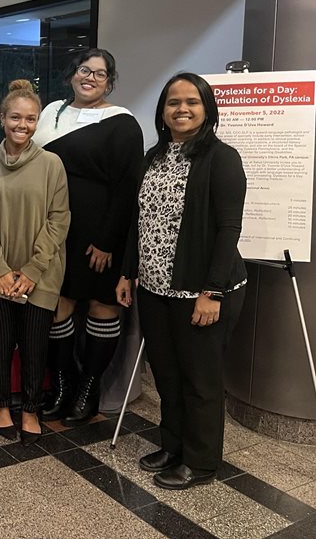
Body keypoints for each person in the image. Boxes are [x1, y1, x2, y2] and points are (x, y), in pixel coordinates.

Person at [117, 72, 247, 490]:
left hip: (201, 292)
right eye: (173, 102)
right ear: (163, 111)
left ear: (207, 108)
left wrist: (212, 293)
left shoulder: (221, 158)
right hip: (154, 289)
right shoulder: (152, 157)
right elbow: (138, 221)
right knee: (168, 374)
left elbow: (229, 229)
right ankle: (172, 447)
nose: (182, 109)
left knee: (200, 379)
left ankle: (202, 461)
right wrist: (128, 271)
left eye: (192, 101)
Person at [33, 49, 144, 425]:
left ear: (109, 82)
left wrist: (108, 241)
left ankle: (88, 389)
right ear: (72, 74)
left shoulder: (123, 122)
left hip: (100, 232)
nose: (91, 78)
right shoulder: (51, 112)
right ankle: (63, 385)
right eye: (85, 70)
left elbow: (128, 186)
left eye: (100, 73)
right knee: (58, 303)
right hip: (56, 227)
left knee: (100, 304)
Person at [0, 80, 70, 443]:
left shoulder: (52, 165)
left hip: (39, 275)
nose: (22, 125)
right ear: (1, 118)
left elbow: (59, 220)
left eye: (30, 119)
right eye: (15, 117)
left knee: (33, 345)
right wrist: (0, 270)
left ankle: (29, 409)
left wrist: (30, 271)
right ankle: (0, 406)